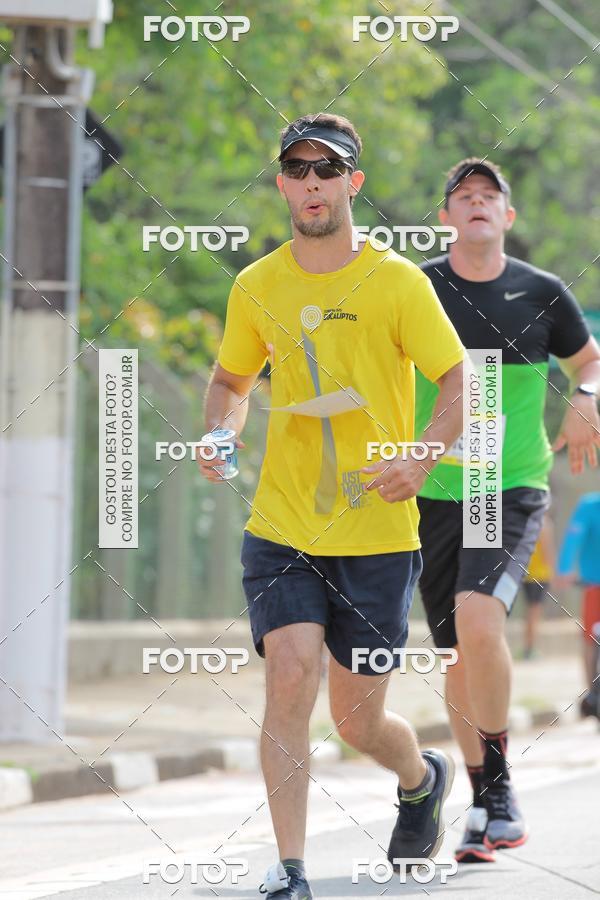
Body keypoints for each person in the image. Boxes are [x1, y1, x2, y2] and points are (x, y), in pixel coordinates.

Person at [198, 113, 466, 899]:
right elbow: (230, 383)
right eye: (297, 169)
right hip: (283, 527)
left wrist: (422, 454)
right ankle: (290, 870)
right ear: (282, 184)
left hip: (379, 533)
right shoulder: (257, 285)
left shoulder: (396, 282)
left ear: (353, 182)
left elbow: (457, 381)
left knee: (356, 722)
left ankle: (420, 778)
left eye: (328, 169)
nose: (312, 183)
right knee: (290, 673)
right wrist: (220, 434)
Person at [414, 158, 600, 864]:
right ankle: (484, 797)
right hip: (432, 490)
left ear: (508, 217)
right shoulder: (419, 287)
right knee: (458, 652)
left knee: (479, 616)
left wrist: (586, 400)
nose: (477, 205)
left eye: (490, 197)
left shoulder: (542, 292)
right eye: (463, 197)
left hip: (505, 480)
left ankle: (498, 793)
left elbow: (590, 360)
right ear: (447, 217)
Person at [555, 492, 600, 718]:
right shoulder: (589, 505)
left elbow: (574, 538)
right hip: (594, 584)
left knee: (590, 639)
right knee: (590, 637)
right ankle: (591, 692)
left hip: (592, 584)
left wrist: (565, 570)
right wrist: (564, 570)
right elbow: (574, 537)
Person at [520, 512, 555, 659]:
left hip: (524, 573)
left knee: (529, 612)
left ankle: (528, 648)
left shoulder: (524, 519)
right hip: (540, 575)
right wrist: (554, 571)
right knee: (534, 613)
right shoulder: (544, 522)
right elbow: (548, 551)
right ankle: (530, 649)